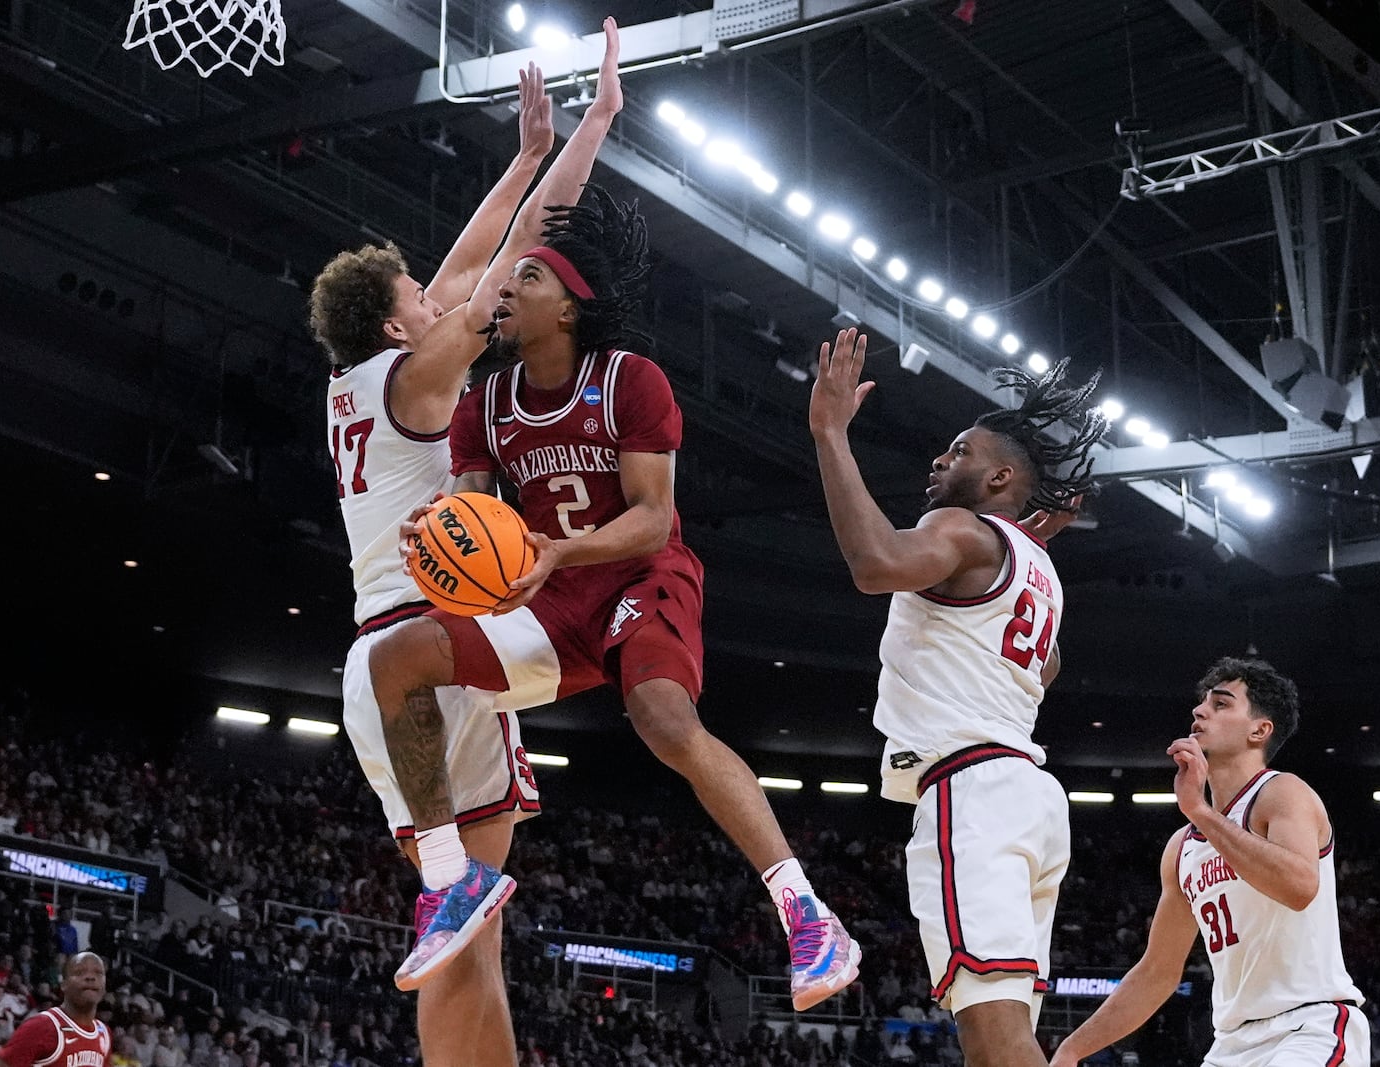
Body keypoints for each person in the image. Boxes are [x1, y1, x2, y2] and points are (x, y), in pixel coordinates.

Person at [375, 185, 861, 1012]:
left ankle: (807, 913)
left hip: (641, 576)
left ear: (568, 306)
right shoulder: (483, 404)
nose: (507, 287)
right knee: (396, 657)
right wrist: (438, 530)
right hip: (548, 597)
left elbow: (651, 518)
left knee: (663, 717)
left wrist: (558, 547)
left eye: (526, 276)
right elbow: (472, 508)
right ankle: (450, 881)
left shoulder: (628, 380)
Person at [305, 22, 625, 1067]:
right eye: (418, 299)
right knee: (458, 931)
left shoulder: (356, 383)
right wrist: (594, 131)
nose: (433, 293)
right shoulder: (418, 377)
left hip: (386, 661)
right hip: (434, 653)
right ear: (404, 328)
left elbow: (477, 251)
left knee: (469, 934)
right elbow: (512, 263)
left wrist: (530, 152)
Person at [809, 328, 1105, 1067]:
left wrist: (829, 435)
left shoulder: (960, 529)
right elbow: (1041, 671)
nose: (941, 459)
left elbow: (877, 563)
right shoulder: (1039, 569)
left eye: (962, 451)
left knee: (997, 1039)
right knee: (999, 1038)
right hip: (1030, 798)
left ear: (1002, 479)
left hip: (972, 793)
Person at [1050, 658, 1367, 1067]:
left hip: (1309, 1029)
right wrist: (1073, 1049)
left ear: (1260, 729)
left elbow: (1300, 886)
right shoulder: (1182, 848)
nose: (1199, 711)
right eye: (1202, 703)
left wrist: (1200, 811)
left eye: (1221, 704)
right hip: (1231, 1044)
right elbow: (1157, 974)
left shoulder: (1282, 792)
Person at [0, 953, 109, 1067]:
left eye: (98, 973)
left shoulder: (104, 1033)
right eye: (79, 972)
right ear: (64, 984)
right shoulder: (42, 1026)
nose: (90, 977)